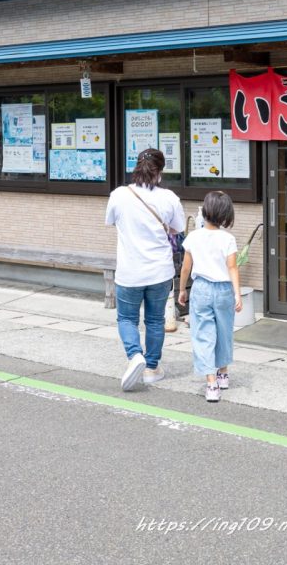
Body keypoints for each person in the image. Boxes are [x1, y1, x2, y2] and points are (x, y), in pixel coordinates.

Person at [105, 148, 184, 391]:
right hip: (160, 271)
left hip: (130, 271)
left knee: (127, 318)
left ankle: (134, 355)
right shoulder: (169, 197)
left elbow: (110, 221)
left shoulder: (119, 195)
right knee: (155, 320)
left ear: (136, 168)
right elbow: (177, 229)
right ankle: (151, 368)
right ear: (159, 172)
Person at [177, 191, 241, 403]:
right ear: (225, 215)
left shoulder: (193, 237)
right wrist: (238, 293)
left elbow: (186, 267)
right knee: (224, 332)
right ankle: (223, 373)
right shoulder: (228, 239)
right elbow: (232, 268)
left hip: (201, 288)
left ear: (205, 212)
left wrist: (182, 289)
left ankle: (212, 384)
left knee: (203, 334)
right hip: (224, 290)